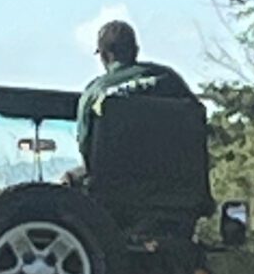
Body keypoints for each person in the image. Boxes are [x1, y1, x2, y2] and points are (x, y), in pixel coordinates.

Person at [74, 18, 197, 166]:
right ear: (136, 51)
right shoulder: (170, 80)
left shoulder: (94, 93)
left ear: (104, 56)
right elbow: (197, 123)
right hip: (179, 182)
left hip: (112, 185)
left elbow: (85, 147)